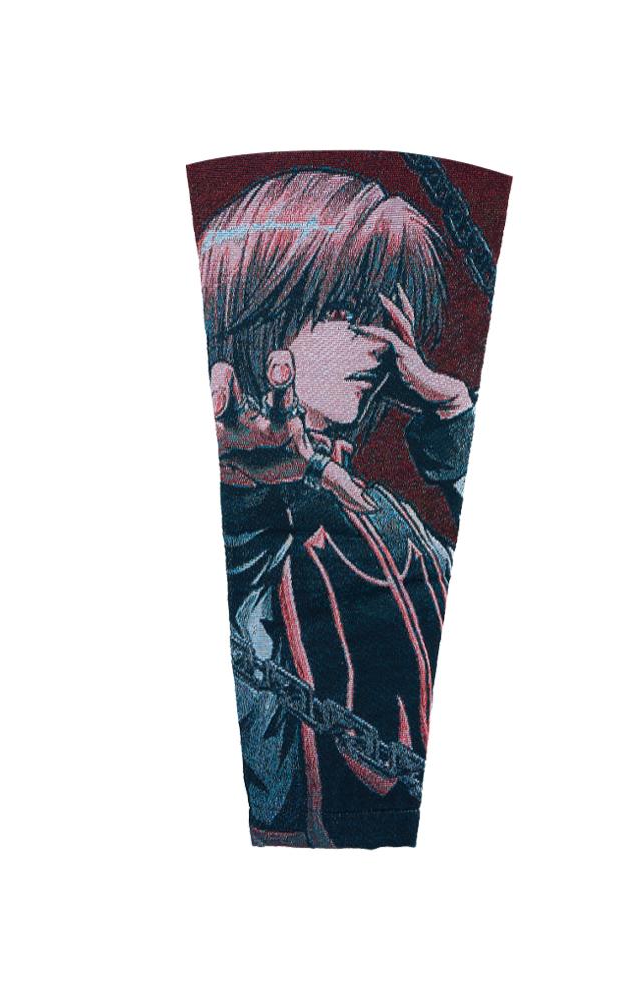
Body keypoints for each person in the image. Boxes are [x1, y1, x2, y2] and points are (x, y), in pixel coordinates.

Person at [198, 168, 476, 847]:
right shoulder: (242, 512)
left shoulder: (395, 522)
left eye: (383, 316)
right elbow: (241, 571)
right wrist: (247, 492)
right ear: (260, 311)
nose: (377, 344)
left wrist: (452, 416)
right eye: (344, 311)